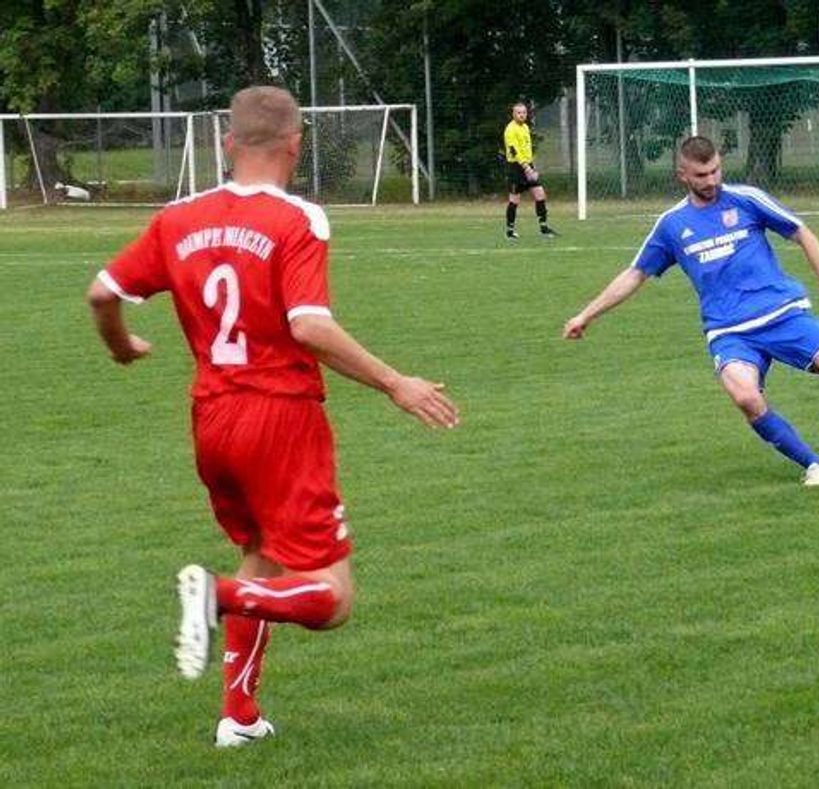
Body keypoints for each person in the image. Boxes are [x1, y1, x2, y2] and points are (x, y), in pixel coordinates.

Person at [86, 86, 460, 747]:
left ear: (228, 143)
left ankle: (239, 715)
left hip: (212, 420)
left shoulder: (178, 217)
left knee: (258, 552)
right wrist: (395, 381)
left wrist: (121, 346)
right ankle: (216, 597)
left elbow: (103, 291)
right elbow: (309, 326)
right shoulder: (298, 219)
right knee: (332, 598)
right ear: (297, 143)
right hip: (280, 418)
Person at [562, 135, 819, 486]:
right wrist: (586, 315)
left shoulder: (746, 199)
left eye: (715, 171)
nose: (711, 180)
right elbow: (635, 274)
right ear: (682, 175)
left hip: (782, 313)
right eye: (701, 175)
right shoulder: (672, 225)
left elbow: (801, 232)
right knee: (746, 398)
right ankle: (813, 464)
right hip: (729, 331)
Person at [503, 101, 557, 240]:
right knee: (515, 200)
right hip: (516, 168)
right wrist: (527, 168)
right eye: (519, 113)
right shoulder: (510, 129)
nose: (522, 115)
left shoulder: (525, 127)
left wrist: (532, 167)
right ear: (513, 114)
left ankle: (544, 228)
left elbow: (527, 150)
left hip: (528, 166)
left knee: (540, 195)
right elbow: (514, 152)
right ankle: (510, 231)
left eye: (524, 113)